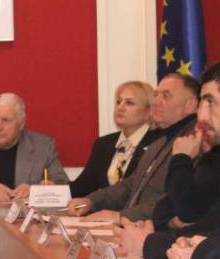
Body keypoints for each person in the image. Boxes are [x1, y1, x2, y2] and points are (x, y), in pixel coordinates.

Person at [114, 63, 220, 259]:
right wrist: (163, 227)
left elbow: (189, 210)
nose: (202, 115)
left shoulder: (196, 141)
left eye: (210, 101)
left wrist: (181, 158)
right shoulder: (162, 142)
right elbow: (169, 208)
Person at [67, 73, 199, 222]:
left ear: (190, 105)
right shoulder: (160, 142)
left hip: (158, 229)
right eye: (156, 95)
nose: (155, 101)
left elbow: (173, 201)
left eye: (165, 96)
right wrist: (91, 201)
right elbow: (130, 185)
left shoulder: (196, 141)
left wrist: (122, 216)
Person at [70, 81, 159, 197]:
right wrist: (52, 190)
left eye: (130, 103)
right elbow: (82, 188)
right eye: (118, 102)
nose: (120, 107)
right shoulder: (103, 144)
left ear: (149, 111)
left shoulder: (158, 144)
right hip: (104, 208)